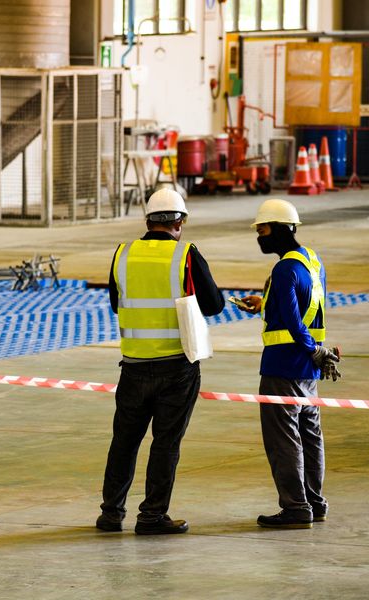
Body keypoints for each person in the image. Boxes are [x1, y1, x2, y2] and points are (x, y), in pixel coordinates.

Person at [96, 188, 225, 535]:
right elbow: (214, 305)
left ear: (148, 221)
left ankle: (111, 514)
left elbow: (115, 303)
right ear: (179, 223)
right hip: (176, 368)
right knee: (165, 443)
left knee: (124, 442)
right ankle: (152, 515)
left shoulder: (123, 254)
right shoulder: (186, 254)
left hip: (133, 365)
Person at [236, 198, 341, 529]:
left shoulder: (283, 269)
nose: (259, 237)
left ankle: (295, 508)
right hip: (309, 371)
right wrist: (264, 302)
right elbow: (306, 303)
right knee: (310, 436)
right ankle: (314, 502)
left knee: (284, 441)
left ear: (280, 230)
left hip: (283, 368)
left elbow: (295, 324)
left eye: (263, 230)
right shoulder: (311, 260)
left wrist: (313, 349)